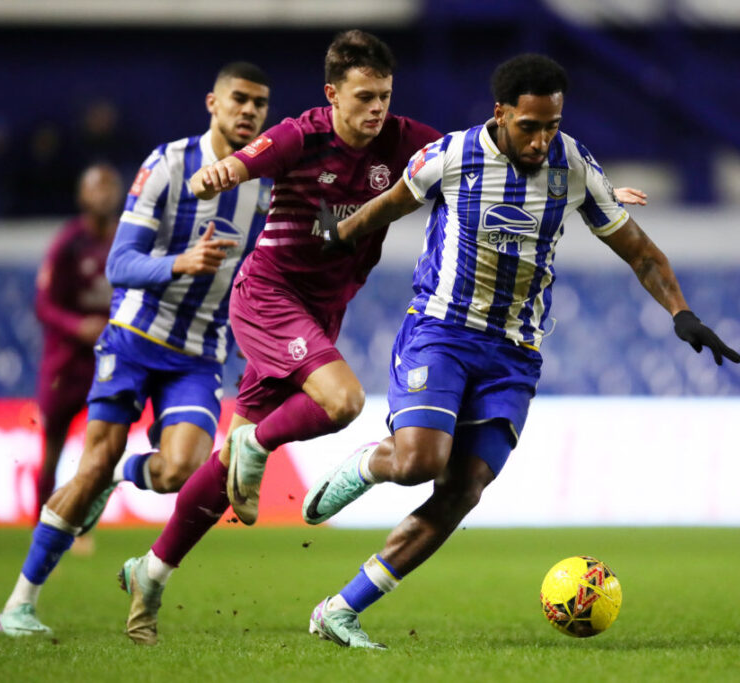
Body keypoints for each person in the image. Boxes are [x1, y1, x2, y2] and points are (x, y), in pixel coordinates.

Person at [115, 31, 647, 647]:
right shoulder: (300, 134)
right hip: (269, 296)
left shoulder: (407, 141)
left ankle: (150, 572)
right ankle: (259, 446)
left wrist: (592, 191)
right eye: (363, 97)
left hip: (324, 312)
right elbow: (247, 161)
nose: (375, 109)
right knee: (340, 401)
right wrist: (220, 175)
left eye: (385, 97)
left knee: (224, 467)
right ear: (331, 95)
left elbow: (487, 151)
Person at [301, 53, 740, 649]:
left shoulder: (574, 166)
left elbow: (640, 251)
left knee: (463, 490)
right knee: (417, 464)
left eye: (551, 125)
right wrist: (333, 231)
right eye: (529, 126)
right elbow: (391, 205)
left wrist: (681, 313)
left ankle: (341, 610)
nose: (541, 140)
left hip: (514, 354)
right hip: (442, 331)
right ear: (501, 113)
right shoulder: (452, 155)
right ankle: (365, 465)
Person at [0, 61, 272, 637]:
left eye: (260, 104)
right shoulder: (167, 165)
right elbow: (121, 263)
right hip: (135, 338)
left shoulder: (262, 185)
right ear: (212, 104)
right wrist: (180, 262)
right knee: (87, 464)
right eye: (239, 99)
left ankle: (122, 473)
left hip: (197, 353)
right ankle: (19, 605)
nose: (249, 111)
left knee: (182, 472)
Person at [33, 163, 122, 521]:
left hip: (108, 360)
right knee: (52, 450)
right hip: (66, 363)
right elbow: (43, 304)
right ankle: (38, 521)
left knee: (102, 449)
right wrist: (78, 325)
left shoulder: (127, 240)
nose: (103, 194)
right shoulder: (68, 243)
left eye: (109, 186)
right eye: (95, 187)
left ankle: (81, 524)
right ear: (82, 195)